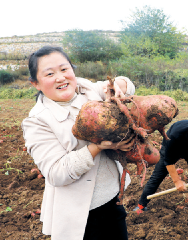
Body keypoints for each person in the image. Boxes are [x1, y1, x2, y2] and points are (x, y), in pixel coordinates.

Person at [21, 46, 136, 240]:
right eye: (50, 73)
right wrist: (97, 147)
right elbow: (56, 173)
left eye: (64, 69)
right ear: (36, 84)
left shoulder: (86, 89)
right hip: (82, 214)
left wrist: (119, 85)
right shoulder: (36, 121)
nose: (60, 77)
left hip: (114, 199)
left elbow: (126, 84)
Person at [133, 119, 188, 222]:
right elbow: (168, 161)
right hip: (172, 148)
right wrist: (177, 181)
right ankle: (141, 205)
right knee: (157, 176)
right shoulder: (175, 135)